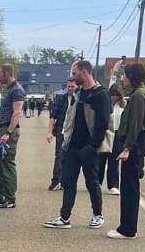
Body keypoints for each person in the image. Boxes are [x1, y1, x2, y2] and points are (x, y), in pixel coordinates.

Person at [44, 60, 112, 229]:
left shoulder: (100, 94)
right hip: (72, 146)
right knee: (68, 181)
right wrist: (65, 138)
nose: (72, 77)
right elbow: (71, 116)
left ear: (84, 72)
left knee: (92, 182)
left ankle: (98, 215)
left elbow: (103, 123)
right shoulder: (79, 93)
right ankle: (64, 217)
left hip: (89, 147)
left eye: (74, 74)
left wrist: (93, 147)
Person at [109, 62, 145, 239]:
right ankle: (127, 226)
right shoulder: (141, 92)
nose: (123, 78)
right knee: (129, 185)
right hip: (137, 143)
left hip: (134, 144)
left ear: (132, 76)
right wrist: (115, 71)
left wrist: (127, 148)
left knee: (129, 187)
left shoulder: (138, 96)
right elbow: (118, 87)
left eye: (125, 75)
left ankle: (127, 229)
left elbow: (135, 124)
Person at [0, 63, 25, 209]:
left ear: (6, 74)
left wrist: (8, 133)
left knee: (7, 164)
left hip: (8, 130)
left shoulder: (17, 90)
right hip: (2, 128)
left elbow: (17, 113)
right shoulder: (9, 89)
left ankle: (10, 199)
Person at [47, 78, 78, 190]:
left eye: (72, 87)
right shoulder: (60, 99)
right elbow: (53, 117)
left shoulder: (79, 100)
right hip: (61, 131)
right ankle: (56, 181)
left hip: (74, 134)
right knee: (59, 156)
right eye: (68, 86)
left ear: (76, 87)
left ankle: (66, 182)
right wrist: (49, 132)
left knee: (70, 159)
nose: (70, 89)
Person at [100, 85, 124, 195]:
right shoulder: (105, 104)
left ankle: (113, 185)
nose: (114, 97)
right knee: (101, 159)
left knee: (114, 161)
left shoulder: (124, 106)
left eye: (116, 95)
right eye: (112, 95)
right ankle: (97, 182)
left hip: (118, 134)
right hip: (106, 133)